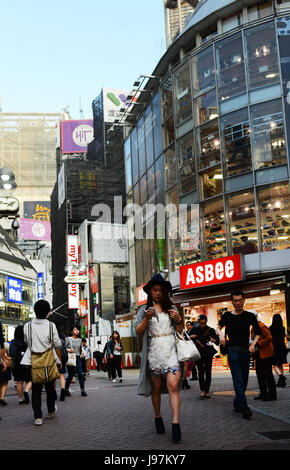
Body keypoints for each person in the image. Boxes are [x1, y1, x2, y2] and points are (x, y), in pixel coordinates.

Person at [135, 273, 184, 443]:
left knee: (173, 386)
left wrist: (178, 320)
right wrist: (146, 319)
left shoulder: (173, 308)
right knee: (156, 388)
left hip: (171, 351)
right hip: (154, 353)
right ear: (150, 292)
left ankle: (176, 423)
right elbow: (138, 332)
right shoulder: (143, 310)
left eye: (160, 290)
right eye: (155, 290)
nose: (157, 293)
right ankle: (158, 417)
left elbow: (179, 330)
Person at [218, 290, 261, 420]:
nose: (238, 303)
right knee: (238, 380)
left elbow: (258, 332)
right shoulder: (227, 315)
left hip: (245, 351)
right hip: (232, 350)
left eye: (240, 300)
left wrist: (253, 344)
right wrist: (221, 336)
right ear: (232, 302)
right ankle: (244, 408)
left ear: (243, 300)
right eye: (235, 301)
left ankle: (237, 402)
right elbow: (217, 327)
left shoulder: (249, 316)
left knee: (245, 380)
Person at [22, 300, 62, 426]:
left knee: (36, 389)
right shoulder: (51, 326)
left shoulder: (27, 326)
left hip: (33, 361)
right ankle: (50, 411)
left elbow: (27, 342)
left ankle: (38, 417)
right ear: (48, 312)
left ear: (35, 311)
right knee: (50, 387)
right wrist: (59, 359)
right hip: (49, 360)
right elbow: (57, 344)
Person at [190, 315, 219, 399]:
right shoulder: (194, 330)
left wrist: (214, 340)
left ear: (206, 322)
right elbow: (187, 339)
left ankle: (207, 391)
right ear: (198, 322)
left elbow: (217, 340)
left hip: (208, 353)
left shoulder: (211, 330)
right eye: (201, 323)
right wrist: (191, 338)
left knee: (208, 372)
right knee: (201, 372)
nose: (202, 325)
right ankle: (202, 390)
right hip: (198, 353)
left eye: (204, 323)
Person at [252, 316, 276, 401]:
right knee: (260, 374)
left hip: (265, 353)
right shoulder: (255, 326)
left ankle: (272, 394)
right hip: (259, 354)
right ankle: (263, 393)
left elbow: (269, 338)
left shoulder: (261, 326)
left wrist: (258, 343)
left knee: (267, 374)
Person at [9, 325, 32, 405]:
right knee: (30, 380)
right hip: (27, 364)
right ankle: (26, 391)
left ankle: (21, 399)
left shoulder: (13, 343)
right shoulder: (27, 342)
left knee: (19, 382)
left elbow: (11, 354)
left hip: (17, 365)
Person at [65, 325, 87, 397]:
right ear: (71, 331)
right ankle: (66, 389)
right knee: (70, 375)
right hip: (71, 358)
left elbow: (81, 349)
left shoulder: (80, 340)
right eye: (75, 329)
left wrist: (83, 353)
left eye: (77, 329)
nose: (77, 331)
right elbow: (63, 348)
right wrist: (68, 350)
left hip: (78, 358)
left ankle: (82, 390)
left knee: (80, 374)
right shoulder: (68, 339)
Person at [269, 314, 288, 388]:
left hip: (274, 348)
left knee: (274, 364)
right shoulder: (283, 328)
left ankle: (281, 376)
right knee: (280, 364)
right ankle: (281, 382)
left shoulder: (271, 328)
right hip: (282, 347)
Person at [0, 341, 12, 406]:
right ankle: (2, 397)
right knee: (5, 383)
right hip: (4, 364)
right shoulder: (6, 344)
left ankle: (0, 397)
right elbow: (11, 353)